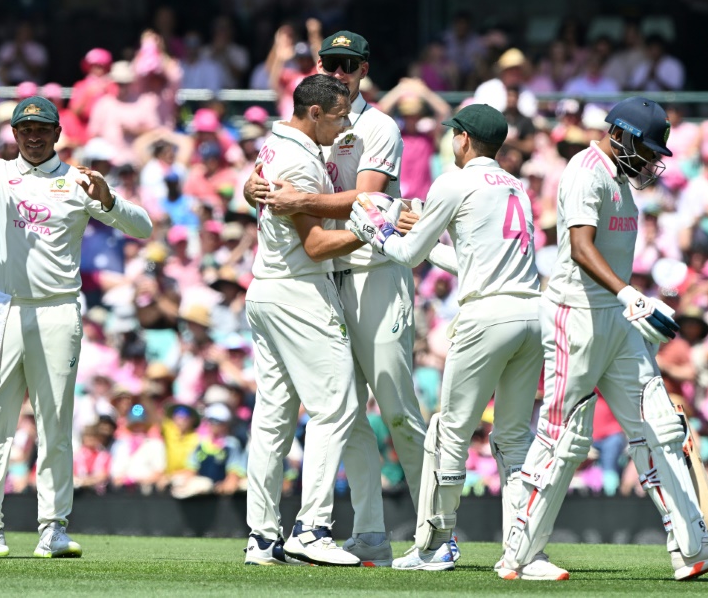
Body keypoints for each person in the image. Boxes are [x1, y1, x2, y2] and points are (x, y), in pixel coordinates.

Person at [497, 96, 708, 581]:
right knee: (563, 439)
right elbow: (579, 245)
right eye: (650, 149)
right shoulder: (584, 170)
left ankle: (693, 545)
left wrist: (628, 300)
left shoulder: (621, 182)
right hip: (576, 318)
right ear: (622, 134)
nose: (654, 160)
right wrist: (630, 293)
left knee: (660, 426)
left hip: (616, 318)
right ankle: (519, 556)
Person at [347, 104, 567, 578]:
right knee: (513, 438)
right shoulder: (517, 188)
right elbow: (472, 261)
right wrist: (413, 232)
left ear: (464, 140)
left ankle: (435, 544)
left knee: (450, 432)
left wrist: (371, 229)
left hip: (486, 316)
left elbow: (407, 254)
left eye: (454, 136)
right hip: (532, 313)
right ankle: (525, 551)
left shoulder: (452, 181)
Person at [0, 95, 152, 559]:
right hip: (3, 308)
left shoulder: (77, 181)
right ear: (13, 134)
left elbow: (144, 227)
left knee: (54, 421)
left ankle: (53, 527)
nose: (33, 137)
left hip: (56, 310)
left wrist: (108, 202)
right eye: (25, 130)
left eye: (41, 129)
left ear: (57, 134)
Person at [245, 31, 429, 567]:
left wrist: (300, 199)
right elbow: (278, 181)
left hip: (369, 272)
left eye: (349, 63)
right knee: (339, 414)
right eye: (331, 61)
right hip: (320, 273)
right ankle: (362, 531)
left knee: (394, 411)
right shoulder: (313, 123)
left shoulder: (376, 125)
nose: (341, 69)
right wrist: (253, 188)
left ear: (365, 68)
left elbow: (369, 196)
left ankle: (433, 530)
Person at [243, 74, 363, 567]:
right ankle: (312, 528)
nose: (346, 123)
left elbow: (255, 188)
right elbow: (316, 246)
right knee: (337, 405)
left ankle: (261, 537)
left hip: (265, 289)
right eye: (339, 115)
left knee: (272, 417)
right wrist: (370, 229)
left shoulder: (276, 144)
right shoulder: (298, 158)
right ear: (314, 113)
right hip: (299, 292)